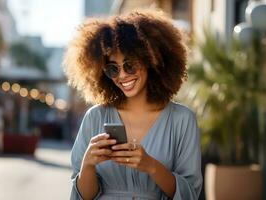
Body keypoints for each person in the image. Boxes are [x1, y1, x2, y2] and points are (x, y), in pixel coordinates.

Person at [63, 10, 202, 200]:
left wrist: (151, 166)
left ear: (151, 60)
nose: (122, 75)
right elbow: (82, 197)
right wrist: (87, 164)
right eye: (113, 68)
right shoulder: (95, 117)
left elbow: (190, 194)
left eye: (130, 64)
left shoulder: (182, 120)